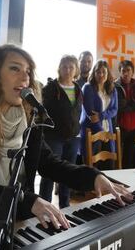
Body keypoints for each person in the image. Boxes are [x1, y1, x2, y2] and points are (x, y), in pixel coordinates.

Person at [0, 45, 131, 247]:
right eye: (15, 68)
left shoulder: (29, 117)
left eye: (28, 71)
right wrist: (28, 201)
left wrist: (92, 177)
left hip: (13, 226)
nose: (25, 77)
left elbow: (48, 162)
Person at [39, 55, 82, 208]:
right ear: (59, 68)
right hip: (54, 137)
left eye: (71, 67)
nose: (68, 70)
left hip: (73, 137)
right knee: (49, 172)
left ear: (76, 69)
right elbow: (42, 112)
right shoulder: (50, 88)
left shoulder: (77, 88)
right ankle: (44, 206)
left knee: (67, 173)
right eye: (64, 66)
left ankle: (65, 207)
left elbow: (77, 112)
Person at [80, 60, 118, 170]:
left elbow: (114, 110)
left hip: (108, 130)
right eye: (98, 72)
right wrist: (101, 133)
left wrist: (102, 115)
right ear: (94, 73)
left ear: (108, 74)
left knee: (109, 165)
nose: (101, 75)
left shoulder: (112, 88)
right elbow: (91, 115)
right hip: (91, 130)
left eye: (103, 72)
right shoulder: (88, 88)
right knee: (91, 167)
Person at [114, 60, 135, 168]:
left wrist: (129, 103)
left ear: (133, 72)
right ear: (120, 72)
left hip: (134, 128)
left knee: (129, 158)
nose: (126, 73)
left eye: (128, 70)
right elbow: (119, 105)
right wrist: (133, 103)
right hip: (119, 127)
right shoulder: (115, 86)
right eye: (123, 71)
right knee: (117, 156)